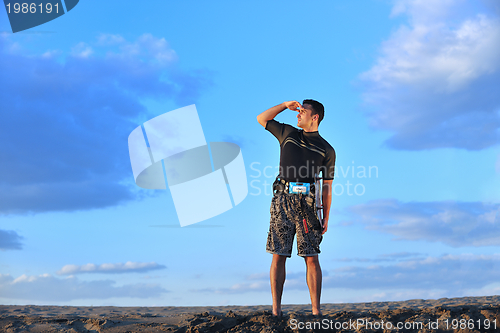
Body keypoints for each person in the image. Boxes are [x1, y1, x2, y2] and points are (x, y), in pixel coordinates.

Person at [256, 100, 335, 317]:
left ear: (315, 117)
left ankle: (316, 312)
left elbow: (327, 186)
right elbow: (262, 119)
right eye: (298, 110)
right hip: (282, 199)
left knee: (311, 257)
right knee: (278, 254)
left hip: (308, 205)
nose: (298, 114)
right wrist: (283, 105)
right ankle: (276, 311)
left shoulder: (327, 149)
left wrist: (326, 216)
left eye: (303, 111)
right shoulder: (288, 133)